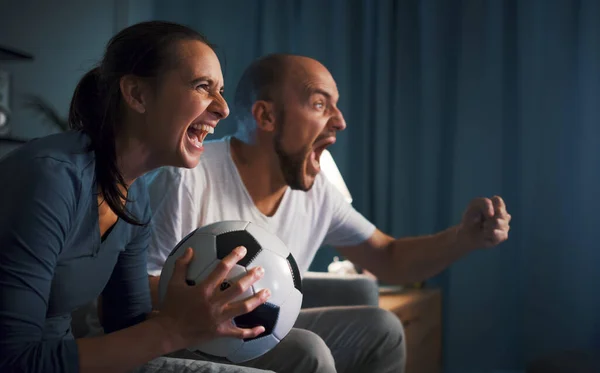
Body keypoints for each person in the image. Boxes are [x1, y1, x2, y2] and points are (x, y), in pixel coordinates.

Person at [144, 54, 512, 373]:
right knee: (308, 350)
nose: (339, 121)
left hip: (265, 330)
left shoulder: (318, 189)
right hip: (193, 336)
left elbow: (388, 257)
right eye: (320, 105)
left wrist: (464, 238)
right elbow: (142, 286)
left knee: (383, 328)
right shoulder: (187, 177)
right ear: (266, 115)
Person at [0, 21, 275, 373]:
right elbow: (12, 361)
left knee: (303, 354)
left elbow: (126, 327)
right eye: (203, 87)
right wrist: (172, 328)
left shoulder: (134, 195)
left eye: (219, 91)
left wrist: (193, 307)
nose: (222, 108)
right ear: (137, 95)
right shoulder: (49, 179)